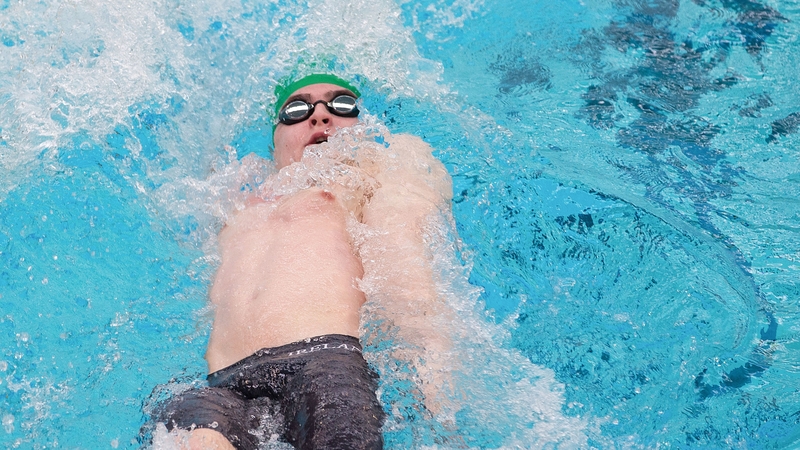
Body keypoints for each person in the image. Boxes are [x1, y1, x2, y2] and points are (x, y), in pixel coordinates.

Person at [154, 73, 453, 449]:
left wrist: (429, 367)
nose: (321, 116)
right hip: (226, 384)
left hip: (323, 363)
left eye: (342, 104)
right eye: (297, 110)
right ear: (275, 141)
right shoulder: (234, 203)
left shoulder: (368, 176)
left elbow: (404, 258)